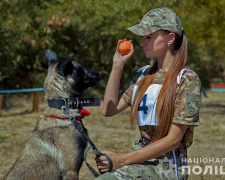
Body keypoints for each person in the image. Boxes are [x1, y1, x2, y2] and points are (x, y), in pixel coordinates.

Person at [95, 7, 202, 180]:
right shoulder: (144, 75)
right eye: (142, 38)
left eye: (149, 37)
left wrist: (121, 160)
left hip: (166, 167)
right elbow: (109, 110)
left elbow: (173, 140)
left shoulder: (186, 79)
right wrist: (117, 66)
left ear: (170, 38)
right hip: (139, 160)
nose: (141, 43)